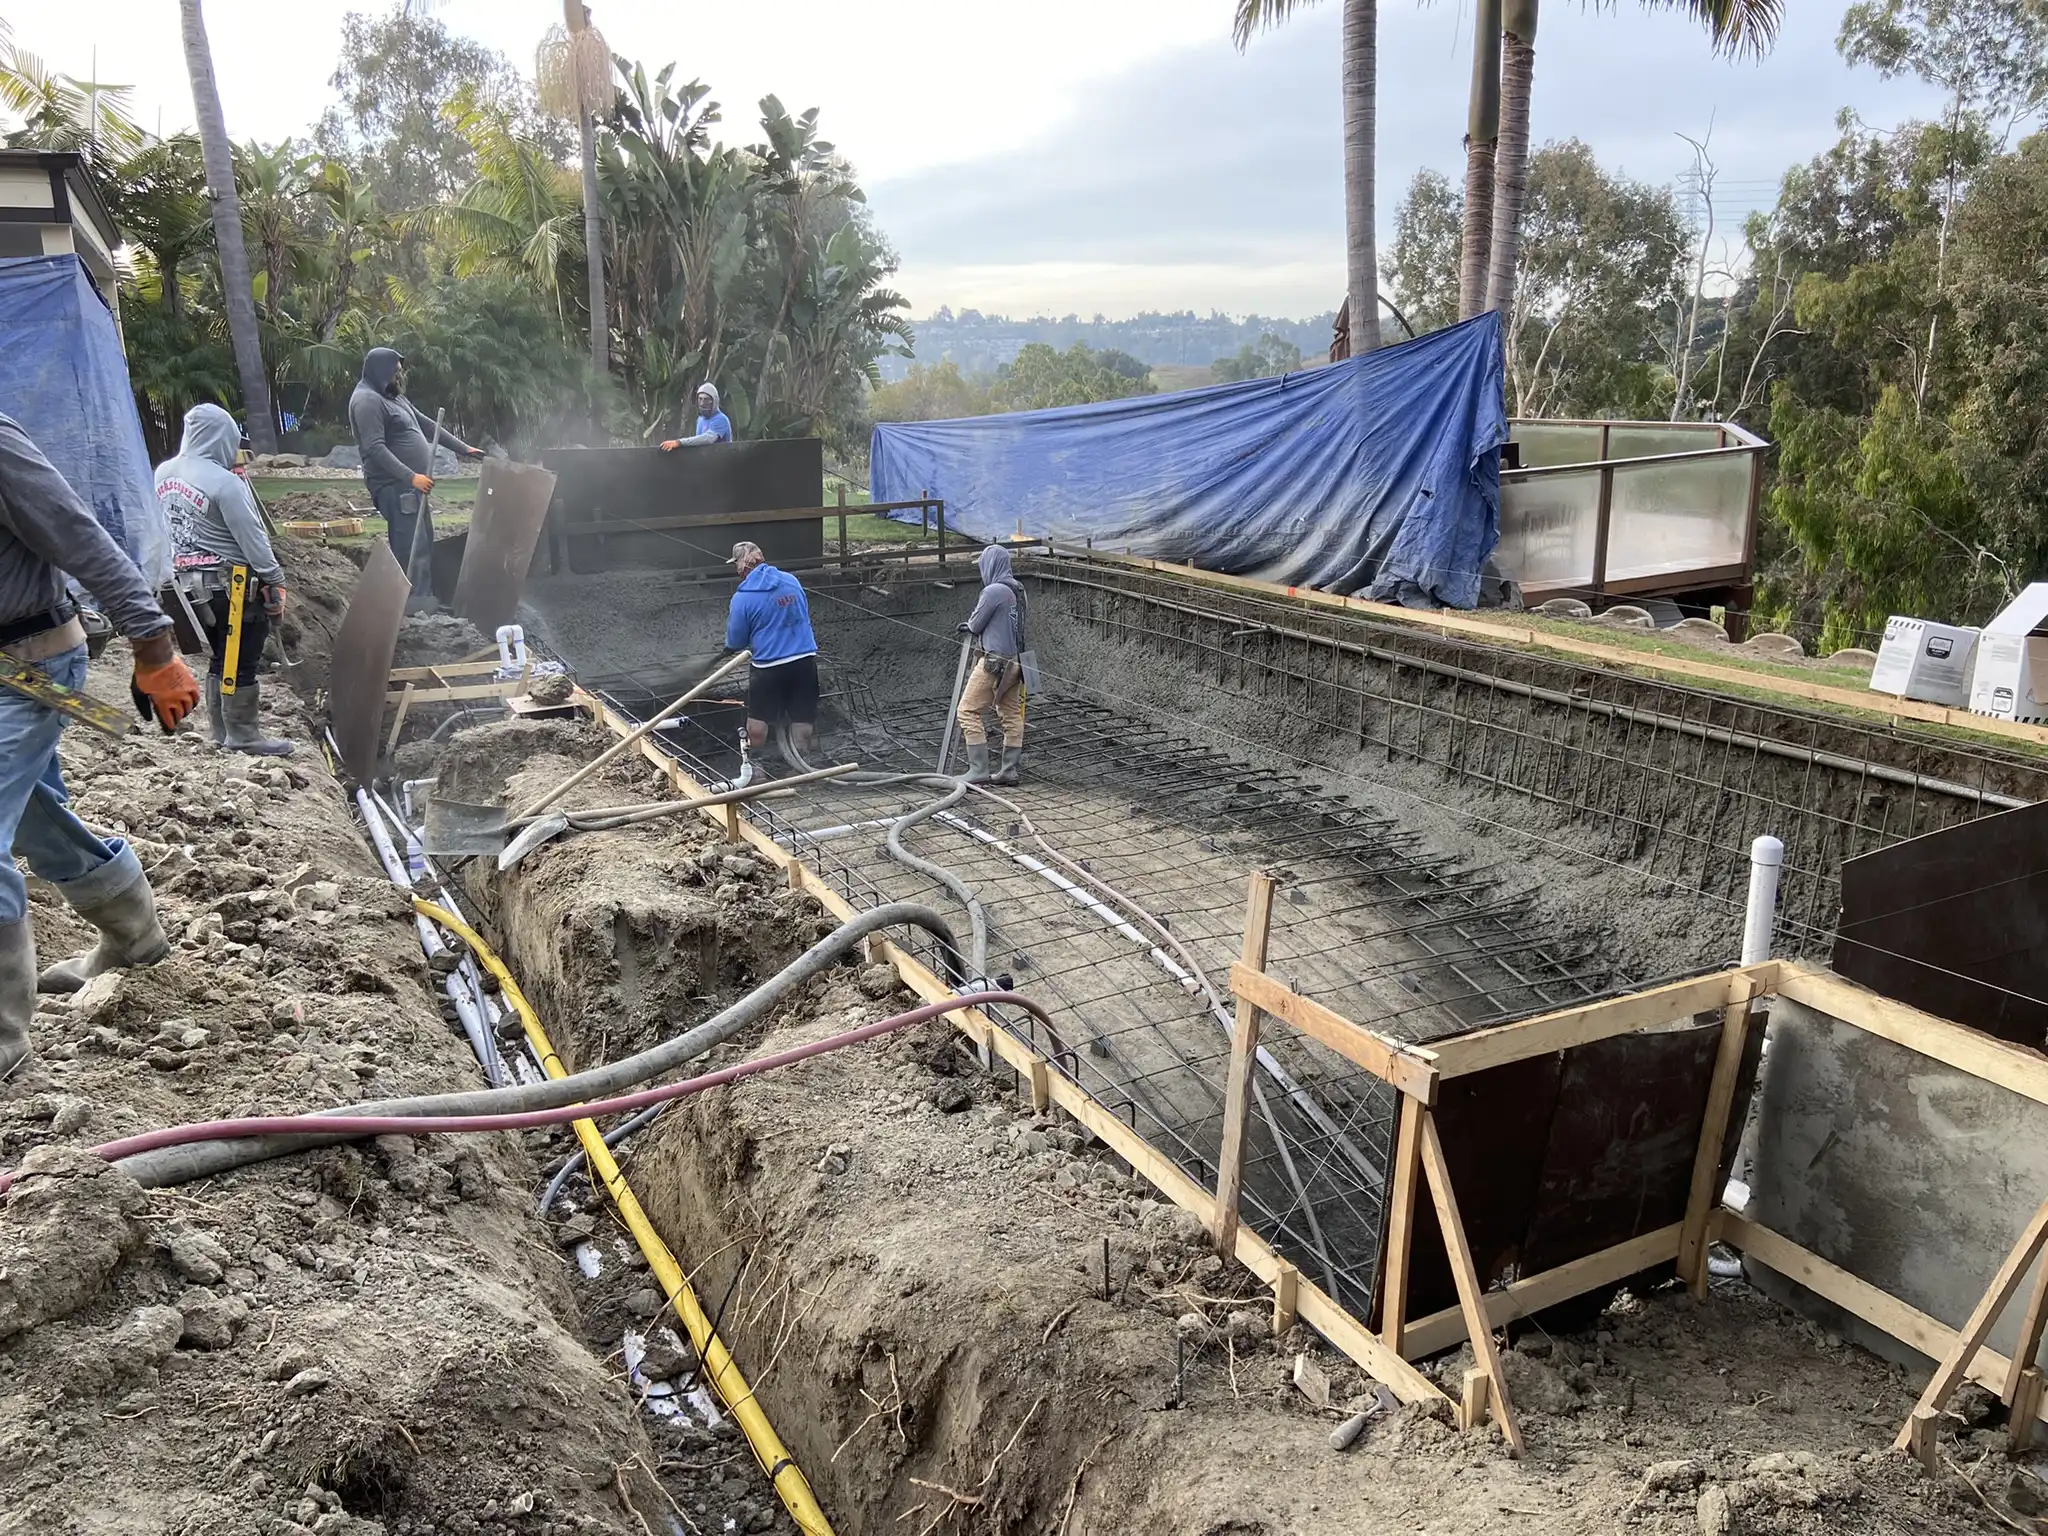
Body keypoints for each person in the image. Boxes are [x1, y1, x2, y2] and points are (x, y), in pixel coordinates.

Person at [0, 415, 202, 1087]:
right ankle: (135, 937)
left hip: (27, 667)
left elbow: (80, 537)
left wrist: (154, 645)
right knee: (32, 818)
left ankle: (5, 1039)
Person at [156, 403, 292, 756]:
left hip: (186, 588)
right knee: (242, 658)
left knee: (220, 657)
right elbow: (253, 539)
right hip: (229, 588)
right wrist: (274, 580)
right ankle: (243, 735)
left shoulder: (164, 473)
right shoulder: (224, 482)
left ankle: (221, 731)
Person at [347, 347, 483, 571]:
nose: (398, 376)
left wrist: (465, 449)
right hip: (394, 487)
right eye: (394, 372)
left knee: (424, 543)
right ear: (380, 371)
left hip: (410, 488)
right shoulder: (367, 401)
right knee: (411, 549)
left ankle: (426, 601)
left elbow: (428, 425)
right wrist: (411, 478)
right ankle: (414, 603)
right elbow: (374, 448)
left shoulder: (392, 396)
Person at [723, 540, 817, 764]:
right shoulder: (791, 581)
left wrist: (730, 647)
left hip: (768, 667)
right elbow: (802, 613)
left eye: (735, 564)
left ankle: (756, 768)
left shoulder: (743, 598)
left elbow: (737, 640)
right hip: (804, 660)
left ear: (743, 565)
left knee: (758, 720)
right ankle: (800, 768)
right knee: (802, 717)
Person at [956, 544, 1027, 785]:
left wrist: (968, 626)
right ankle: (1008, 770)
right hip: (1017, 663)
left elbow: (976, 624)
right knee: (1011, 714)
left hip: (994, 662)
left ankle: (978, 770)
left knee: (967, 711)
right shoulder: (1018, 589)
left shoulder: (993, 591)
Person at [660, 383, 734, 452]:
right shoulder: (700, 420)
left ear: (714, 400)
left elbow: (708, 439)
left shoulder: (721, 419)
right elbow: (698, 443)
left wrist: (679, 442)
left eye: (706, 399)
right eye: (700, 399)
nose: (702, 403)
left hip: (723, 462)